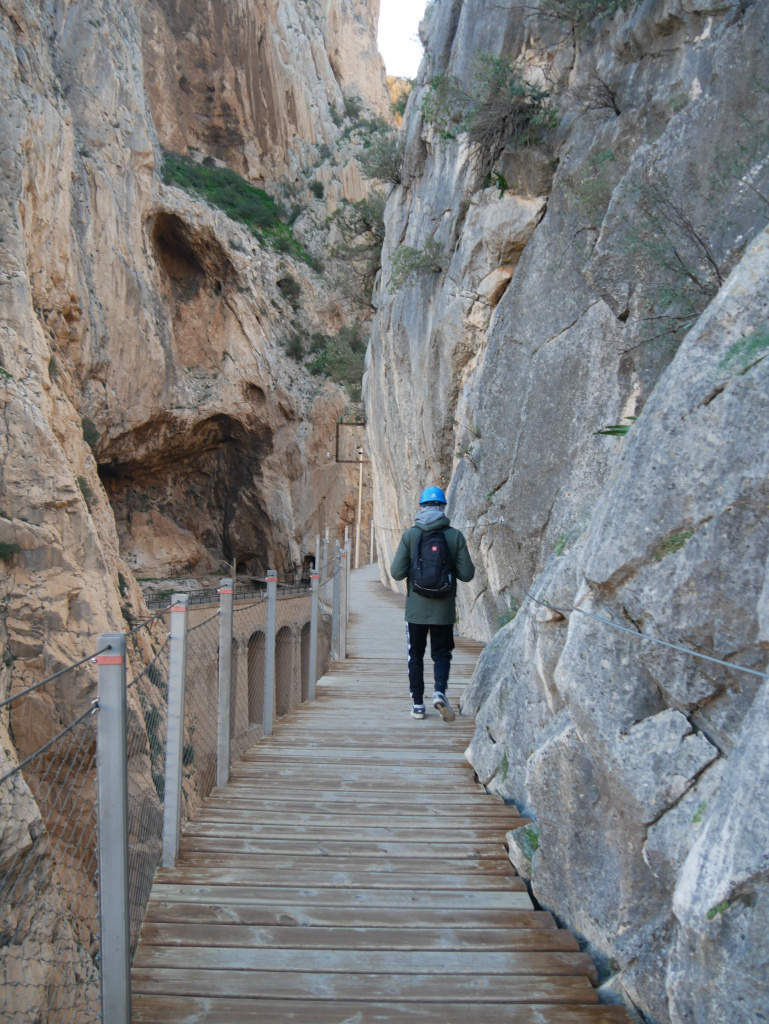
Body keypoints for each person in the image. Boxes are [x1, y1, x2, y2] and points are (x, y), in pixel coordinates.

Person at [390, 486, 475, 722]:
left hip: (415, 610)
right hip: (444, 610)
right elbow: (467, 574)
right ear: (443, 508)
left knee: (415, 656)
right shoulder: (454, 536)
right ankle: (439, 692)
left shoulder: (410, 535)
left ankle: (418, 704)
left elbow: (396, 573)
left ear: (421, 507)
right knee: (442, 654)